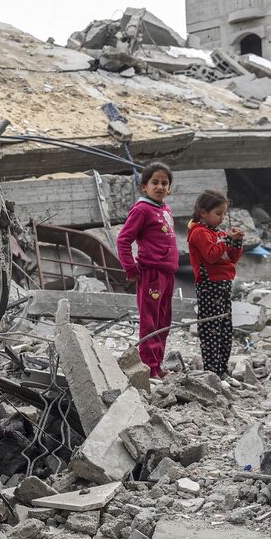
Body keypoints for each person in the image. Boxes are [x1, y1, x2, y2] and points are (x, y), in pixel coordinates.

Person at [116, 162, 181, 379]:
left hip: (167, 274)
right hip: (151, 274)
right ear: (144, 186)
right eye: (155, 182)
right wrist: (130, 268)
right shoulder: (142, 209)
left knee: (163, 321)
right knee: (150, 321)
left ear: (169, 188)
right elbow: (123, 240)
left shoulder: (164, 209)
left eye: (165, 183)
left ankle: (157, 364)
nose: (160, 186)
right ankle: (148, 367)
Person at [186, 189, 244, 376]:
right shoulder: (199, 233)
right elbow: (211, 256)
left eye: (224, 214)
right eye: (218, 213)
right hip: (209, 286)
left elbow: (231, 259)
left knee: (225, 330)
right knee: (211, 331)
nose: (222, 218)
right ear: (203, 212)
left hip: (224, 285)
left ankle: (222, 369)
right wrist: (227, 239)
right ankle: (212, 372)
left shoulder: (217, 232)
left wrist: (236, 242)